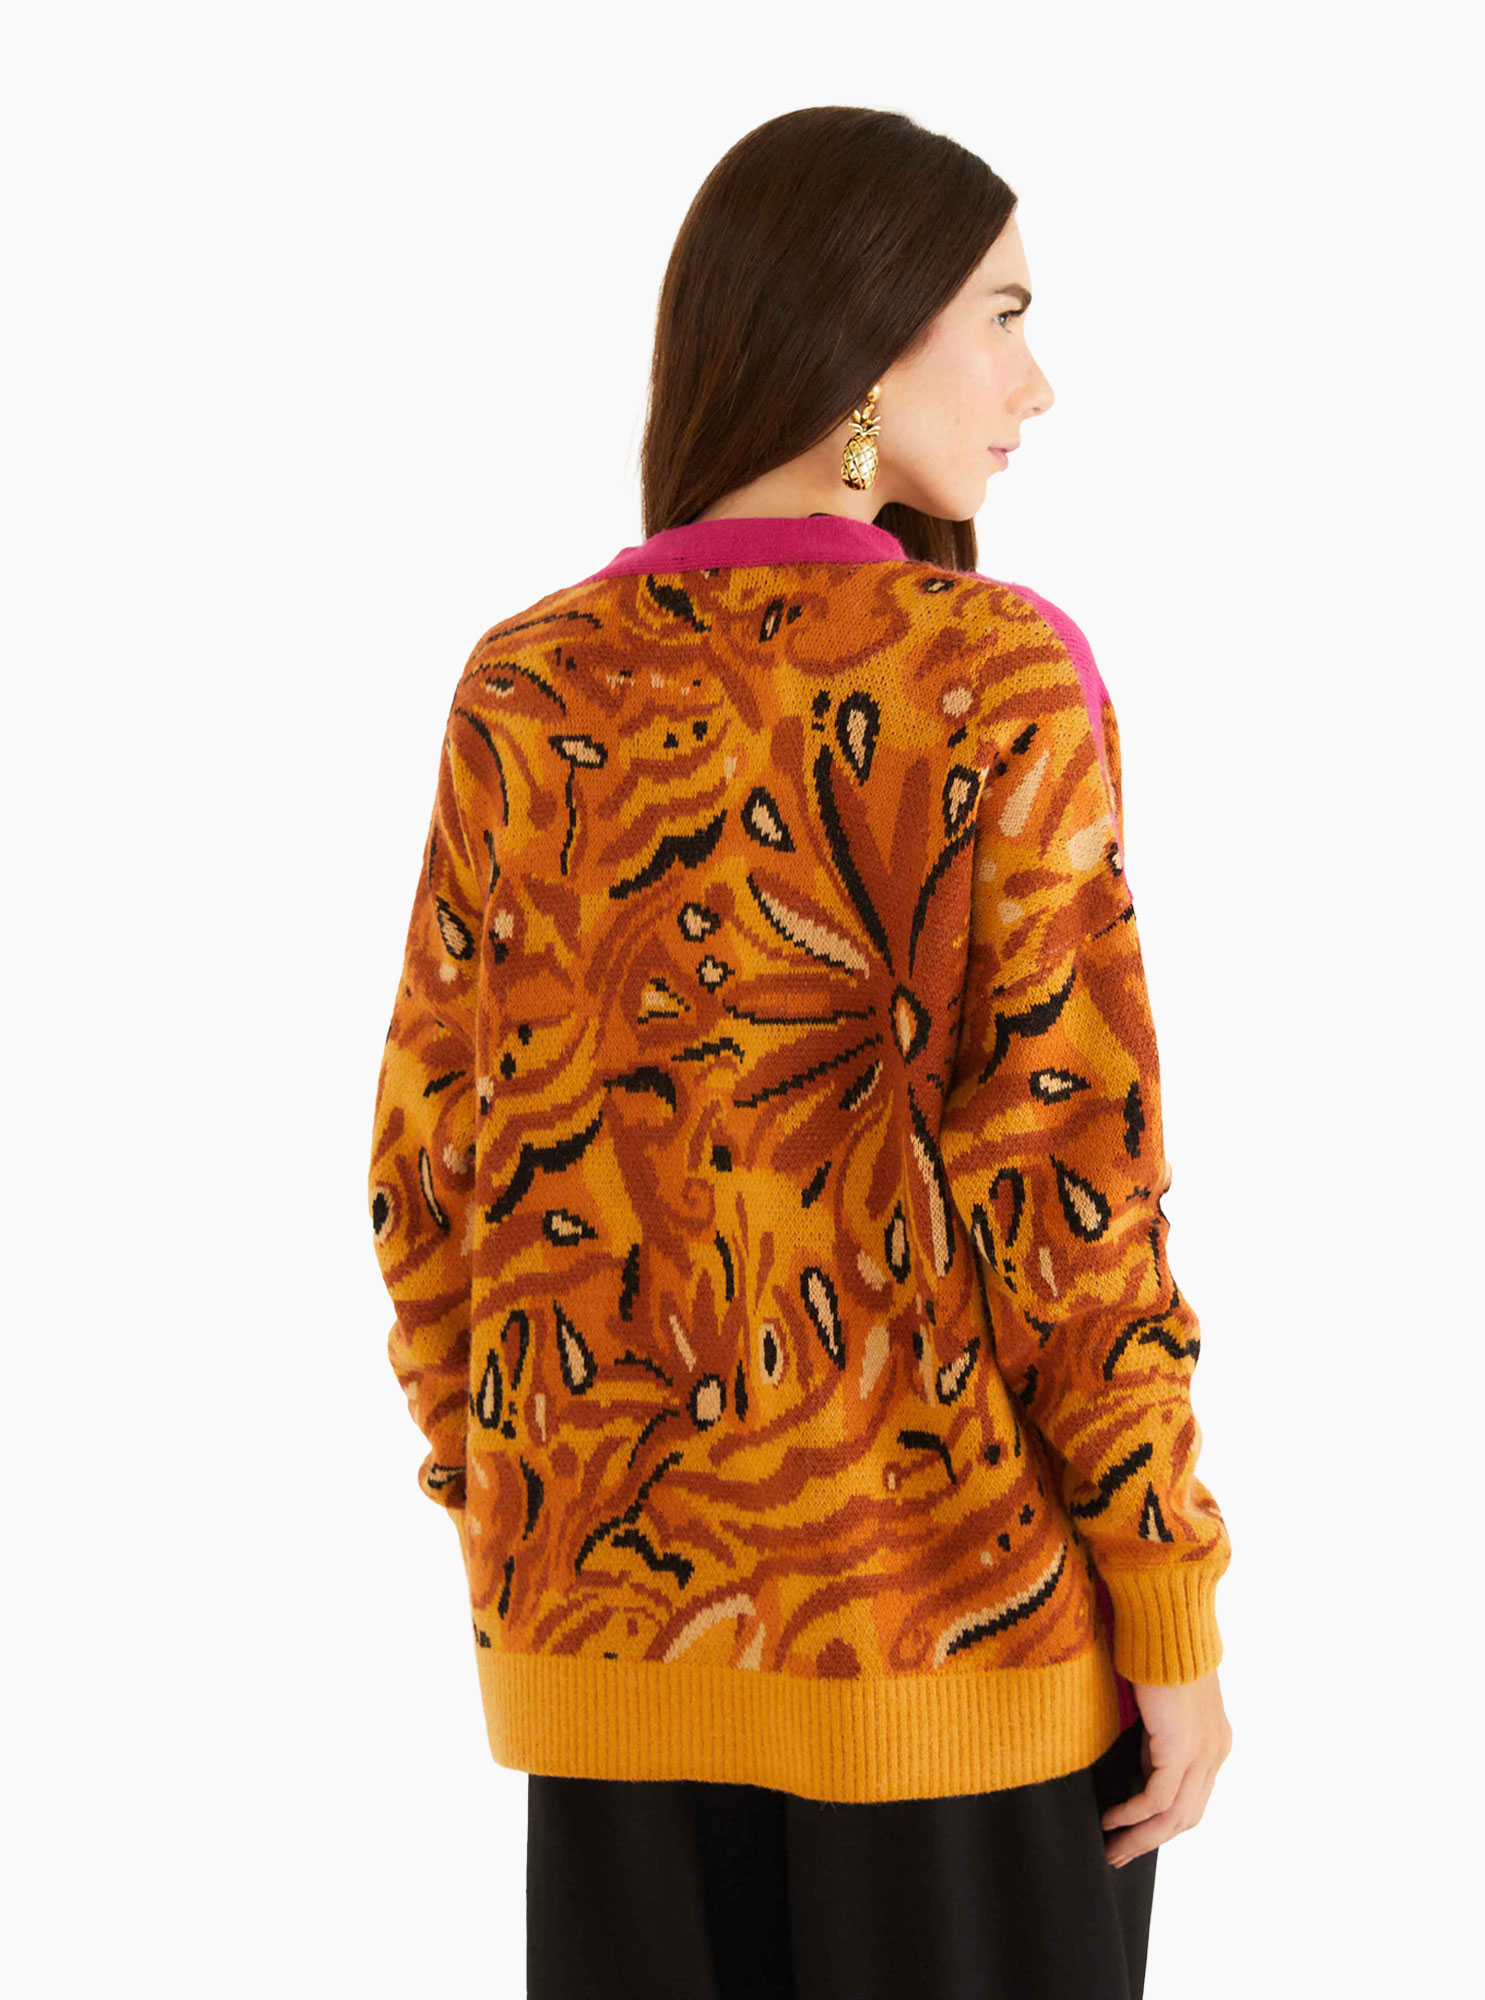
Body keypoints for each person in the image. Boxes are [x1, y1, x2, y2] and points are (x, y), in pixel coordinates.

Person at [368, 104, 1233, 2000]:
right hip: (961, 1664)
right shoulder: (990, 676)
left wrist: (533, 1526)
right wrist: (1168, 1602)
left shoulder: (526, 682)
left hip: (608, 1671)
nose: (1036, 383)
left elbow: (430, 1180)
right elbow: (1070, 1185)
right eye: (1004, 315)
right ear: (864, 327)